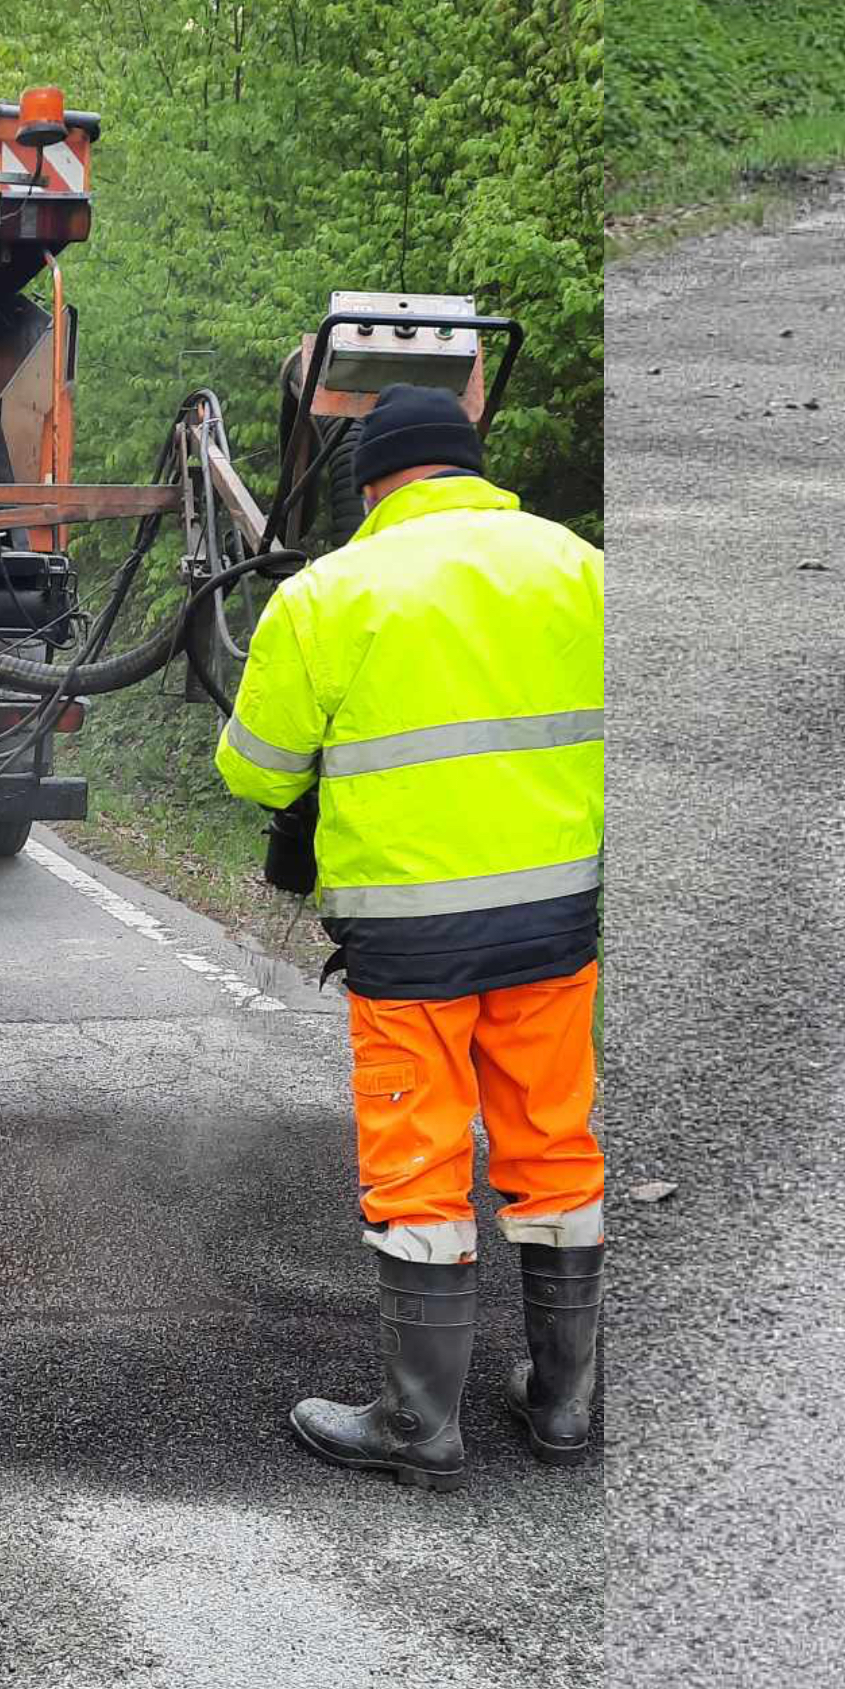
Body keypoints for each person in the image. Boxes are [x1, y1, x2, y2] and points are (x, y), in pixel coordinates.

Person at [214, 385, 607, 1486]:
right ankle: (565, 1404)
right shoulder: (580, 568)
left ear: (375, 481)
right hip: (554, 925)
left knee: (422, 1166)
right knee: (554, 1148)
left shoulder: (330, 593)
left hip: (413, 945)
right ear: (471, 463)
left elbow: (251, 767)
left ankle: (421, 1425)